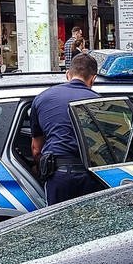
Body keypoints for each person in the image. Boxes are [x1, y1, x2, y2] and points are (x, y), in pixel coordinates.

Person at [30, 53, 101, 203]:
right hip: (90, 177)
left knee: (58, 224)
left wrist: (40, 169)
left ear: (67, 74)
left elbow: (36, 149)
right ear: (93, 78)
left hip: (58, 176)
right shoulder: (100, 102)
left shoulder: (42, 98)